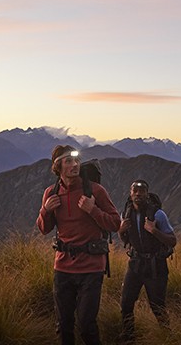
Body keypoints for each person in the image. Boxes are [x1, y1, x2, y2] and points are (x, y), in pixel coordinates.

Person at [36, 145, 121, 345]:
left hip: (91, 268)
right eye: (68, 161)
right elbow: (43, 229)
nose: (74, 165)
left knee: (86, 325)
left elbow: (116, 223)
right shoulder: (51, 193)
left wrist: (93, 210)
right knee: (64, 324)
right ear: (58, 167)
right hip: (63, 268)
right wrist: (45, 211)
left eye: (76, 161)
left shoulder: (95, 191)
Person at [117, 180, 177, 343]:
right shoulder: (126, 213)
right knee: (126, 303)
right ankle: (129, 338)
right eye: (135, 191)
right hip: (135, 264)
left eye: (141, 191)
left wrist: (154, 230)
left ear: (147, 194)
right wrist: (121, 231)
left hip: (155, 266)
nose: (138, 194)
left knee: (157, 306)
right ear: (130, 193)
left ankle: (167, 337)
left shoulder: (158, 214)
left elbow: (172, 241)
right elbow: (125, 239)